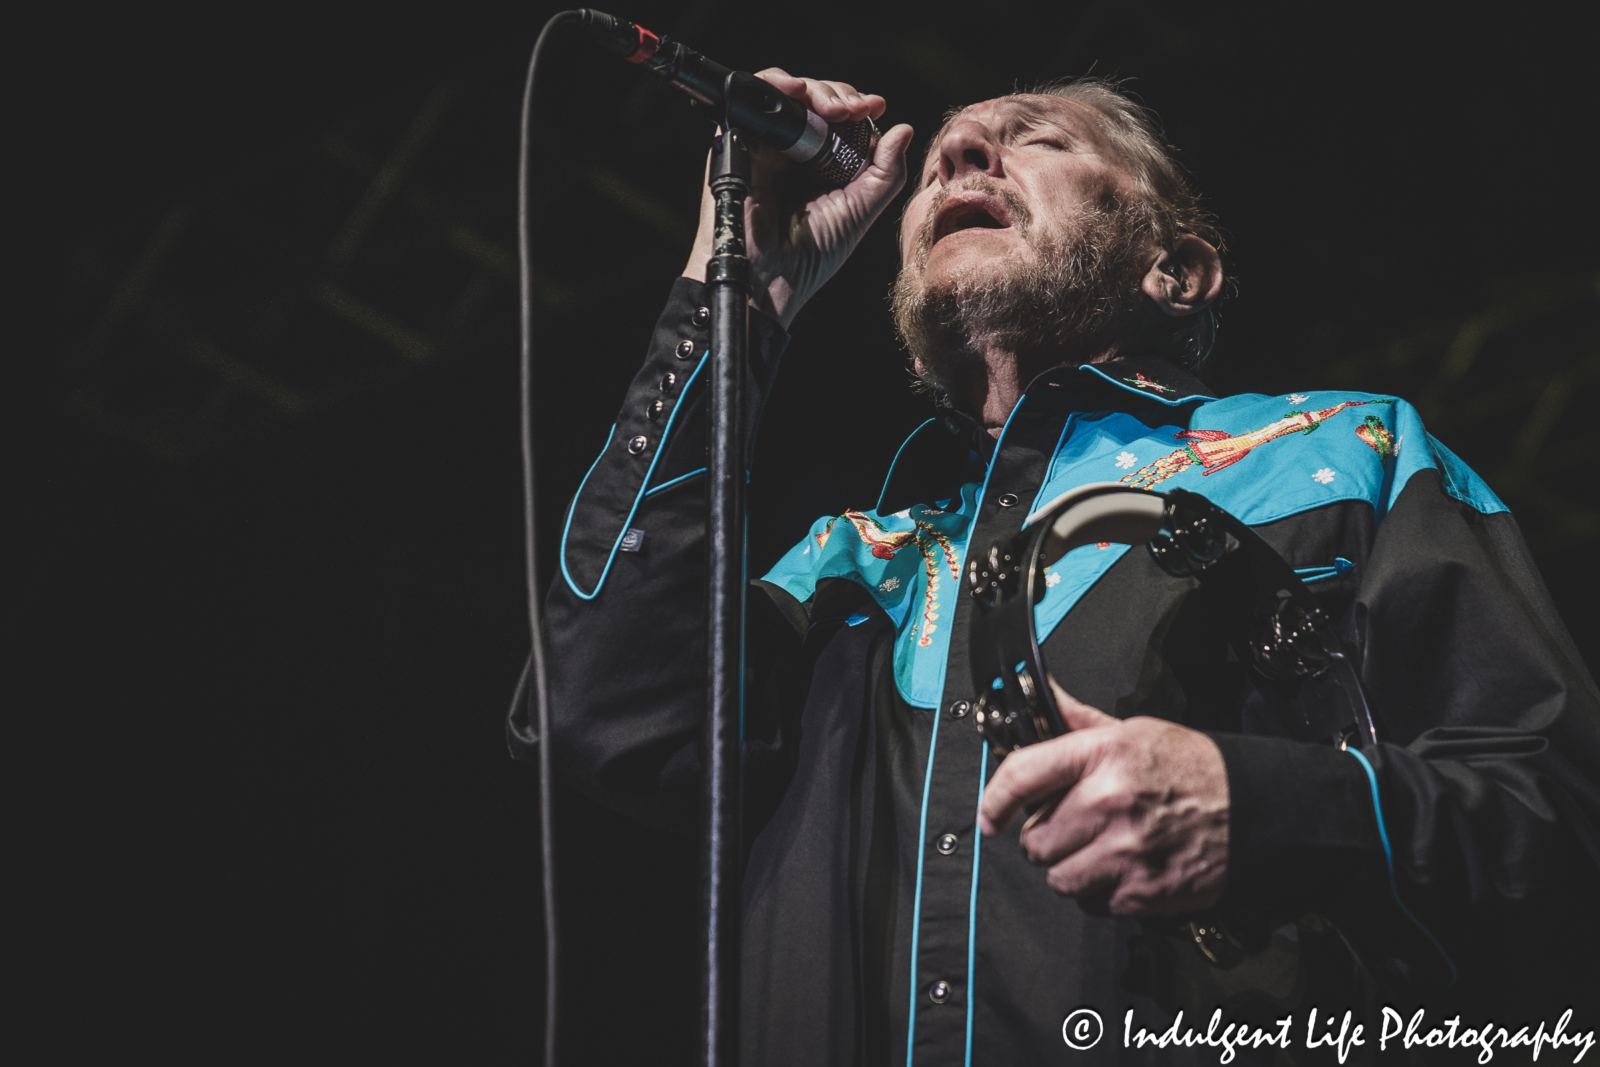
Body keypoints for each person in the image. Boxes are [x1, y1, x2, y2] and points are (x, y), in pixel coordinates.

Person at [512, 70, 1600, 1064]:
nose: (957, 156)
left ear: (1173, 265)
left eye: (1029, 138)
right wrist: (734, 287)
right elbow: (606, 707)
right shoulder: (848, 566)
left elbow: (1555, 812)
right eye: (943, 152)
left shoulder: (1340, 453)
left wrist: (1274, 809)